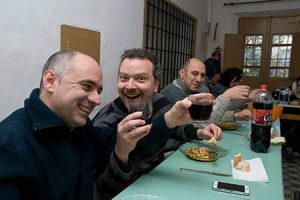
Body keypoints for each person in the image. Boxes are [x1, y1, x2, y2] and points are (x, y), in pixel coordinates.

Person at [0, 50, 203, 200]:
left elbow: (131, 143)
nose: (97, 100)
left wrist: (169, 120)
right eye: (86, 86)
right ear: (51, 81)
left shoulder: (79, 128)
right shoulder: (10, 144)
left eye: (98, 90)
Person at [93, 48, 222, 198]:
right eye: (123, 78)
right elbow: (105, 189)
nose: (129, 86)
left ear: (155, 85)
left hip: (159, 175)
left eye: (140, 78)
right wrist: (168, 121)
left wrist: (199, 133)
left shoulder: (160, 102)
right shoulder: (105, 124)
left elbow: (175, 129)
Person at [160, 58, 252, 122]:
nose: (199, 79)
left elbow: (210, 112)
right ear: (182, 73)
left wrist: (235, 115)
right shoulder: (173, 92)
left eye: (202, 75)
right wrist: (226, 97)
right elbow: (200, 122)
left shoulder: (196, 91)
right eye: (194, 73)